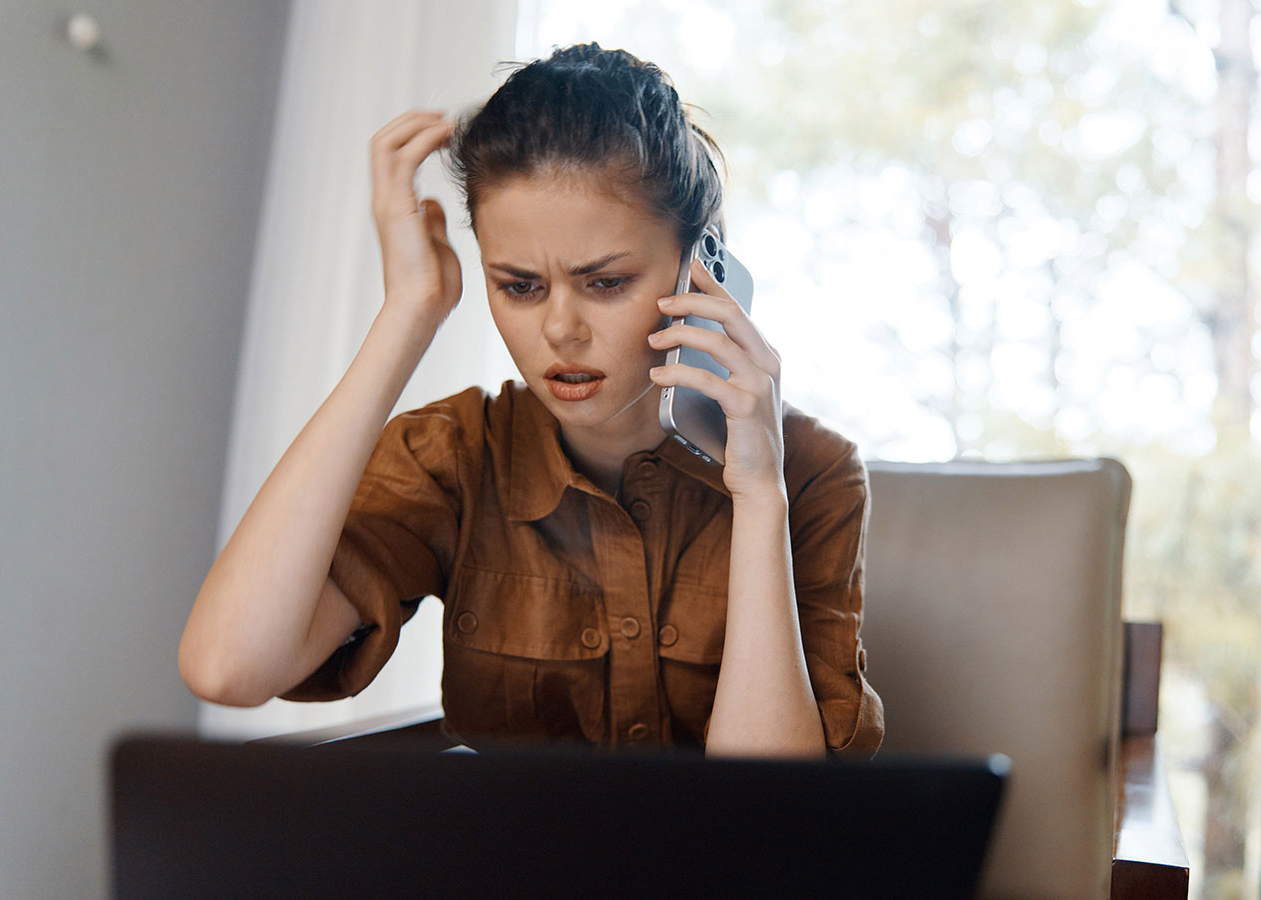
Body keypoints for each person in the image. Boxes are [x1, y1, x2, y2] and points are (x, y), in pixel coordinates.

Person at [178, 43, 883, 758]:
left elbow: (763, 812)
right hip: (503, 873)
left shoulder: (814, 473)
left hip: (716, 875)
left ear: (705, 273)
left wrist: (759, 494)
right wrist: (408, 312)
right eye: (518, 286)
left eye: (605, 282)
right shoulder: (454, 455)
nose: (558, 330)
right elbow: (228, 667)